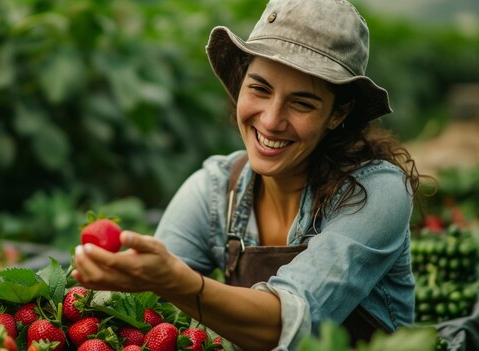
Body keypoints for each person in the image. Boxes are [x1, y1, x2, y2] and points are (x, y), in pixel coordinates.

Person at [72, 0, 421, 349]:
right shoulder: (214, 192)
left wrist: (180, 284)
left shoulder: (375, 192)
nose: (270, 120)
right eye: (259, 88)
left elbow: (292, 323)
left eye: (302, 103)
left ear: (337, 113)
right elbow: (144, 313)